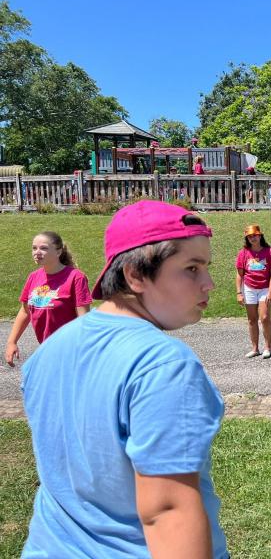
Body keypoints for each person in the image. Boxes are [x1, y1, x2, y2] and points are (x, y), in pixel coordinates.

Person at [18, 200, 227, 557]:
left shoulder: (47, 353)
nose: (208, 284)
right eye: (192, 268)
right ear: (135, 275)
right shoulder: (162, 365)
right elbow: (167, 511)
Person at [5, 232, 92, 367]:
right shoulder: (34, 277)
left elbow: (83, 319)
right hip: (47, 349)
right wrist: (12, 342)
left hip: (70, 352)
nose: (37, 252)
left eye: (43, 248)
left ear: (58, 252)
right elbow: (25, 312)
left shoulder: (76, 277)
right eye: (34, 248)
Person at [236, 224, 271, 359]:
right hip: (249, 288)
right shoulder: (243, 252)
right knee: (252, 319)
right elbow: (239, 274)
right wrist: (239, 292)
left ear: (260, 235)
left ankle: (268, 347)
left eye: (254, 235)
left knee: (265, 318)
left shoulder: (269, 251)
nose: (252, 238)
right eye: (249, 236)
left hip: (264, 288)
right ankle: (255, 348)